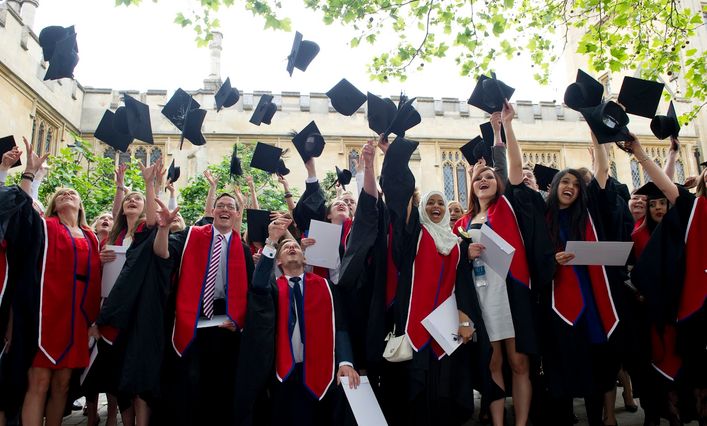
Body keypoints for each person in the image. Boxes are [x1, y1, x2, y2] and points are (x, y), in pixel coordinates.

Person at [454, 103, 555, 426]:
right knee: (492, 363)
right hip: (481, 299)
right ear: (471, 186)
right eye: (477, 178)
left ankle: (521, 423)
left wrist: (506, 128)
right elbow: (454, 265)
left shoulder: (507, 207)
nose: (483, 180)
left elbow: (512, 168)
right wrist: (464, 255)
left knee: (519, 363)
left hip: (512, 294)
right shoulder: (464, 223)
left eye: (488, 177)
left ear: (498, 184)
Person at [0, 137, 102, 426]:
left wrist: (92, 320)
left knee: (62, 385)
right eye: (61, 194)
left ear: (80, 204)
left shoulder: (91, 237)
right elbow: (20, 213)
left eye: (72, 193)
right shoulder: (44, 226)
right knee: (40, 381)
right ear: (54, 205)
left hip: (76, 318)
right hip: (45, 315)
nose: (68, 194)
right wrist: (31, 174)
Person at [378, 133, 473, 426]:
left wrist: (465, 320)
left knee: (445, 389)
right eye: (431, 203)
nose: (435, 207)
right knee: (416, 390)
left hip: (446, 326)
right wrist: (393, 156)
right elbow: (400, 201)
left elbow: (464, 286)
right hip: (414, 322)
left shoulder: (457, 242)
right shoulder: (415, 235)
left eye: (440, 204)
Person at [540, 131, 626, 426]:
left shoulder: (590, 214)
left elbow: (602, 171)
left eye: (576, 184)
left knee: (594, 366)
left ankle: (596, 419)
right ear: (554, 186)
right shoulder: (542, 216)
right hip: (555, 303)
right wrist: (551, 259)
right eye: (565, 181)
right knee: (560, 365)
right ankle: (564, 417)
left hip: (590, 301)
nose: (570, 187)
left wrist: (595, 129)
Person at [152, 192, 256, 425]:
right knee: (189, 379)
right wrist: (163, 228)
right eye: (220, 205)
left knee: (220, 381)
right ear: (213, 211)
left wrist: (240, 321)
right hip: (192, 312)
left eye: (230, 206)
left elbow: (250, 293)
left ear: (237, 214)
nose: (225, 209)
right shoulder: (191, 236)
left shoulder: (242, 249)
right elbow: (162, 253)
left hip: (225, 319)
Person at [248, 215, 360, 426]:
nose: (292, 248)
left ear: (305, 258)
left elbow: (341, 326)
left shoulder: (326, 287)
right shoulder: (272, 288)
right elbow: (258, 284)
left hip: (322, 370)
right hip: (284, 370)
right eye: (286, 247)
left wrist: (346, 361)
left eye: (296, 247)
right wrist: (272, 241)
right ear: (278, 261)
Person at [629, 136, 706, 426]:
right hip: (696, 303)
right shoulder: (693, 209)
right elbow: (665, 185)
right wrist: (638, 152)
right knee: (695, 366)